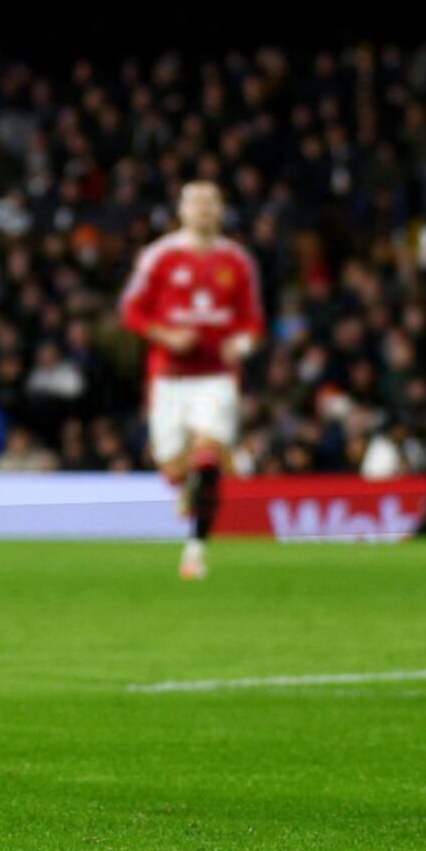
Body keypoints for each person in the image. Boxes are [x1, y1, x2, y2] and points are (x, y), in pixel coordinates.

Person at [118, 180, 262, 580]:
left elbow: (252, 321)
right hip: (168, 377)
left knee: (207, 454)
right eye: (195, 202)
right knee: (172, 468)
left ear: (221, 210)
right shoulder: (158, 257)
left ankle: (195, 551)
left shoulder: (237, 261)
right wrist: (166, 335)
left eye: (210, 202)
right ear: (181, 211)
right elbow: (130, 311)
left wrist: (243, 345)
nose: (203, 209)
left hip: (216, 377)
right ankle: (192, 483)